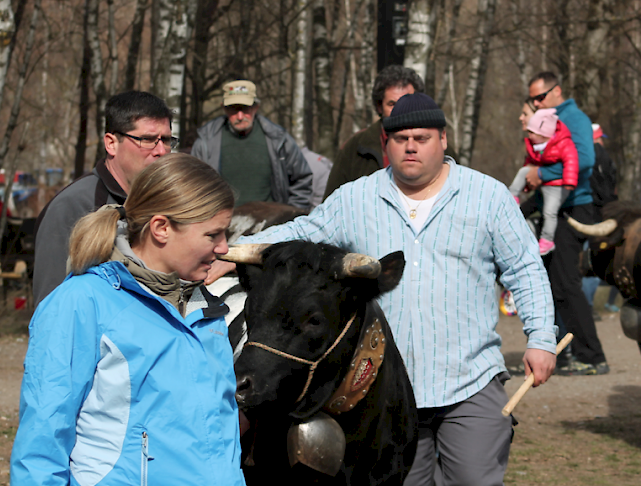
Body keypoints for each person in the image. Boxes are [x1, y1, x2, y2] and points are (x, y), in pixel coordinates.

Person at [213, 93, 557, 485]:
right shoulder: (355, 198)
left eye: (421, 137)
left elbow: (525, 269)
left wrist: (542, 338)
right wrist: (230, 253)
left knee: (474, 480)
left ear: (442, 140)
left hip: (469, 380)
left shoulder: (488, 197)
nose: (410, 146)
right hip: (382, 389)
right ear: (385, 143)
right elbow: (303, 232)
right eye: (400, 138)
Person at [11, 154, 245, 486]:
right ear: (161, 228)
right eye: (213, 235)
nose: (224, 248)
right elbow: (42, 442)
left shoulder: (206, 310)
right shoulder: (82, 302)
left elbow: (220, 442)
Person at [32, 91, 175, 306]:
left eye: (166, 140)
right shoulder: (73, 206)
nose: (161, 151)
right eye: (147, 140)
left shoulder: (169, 203)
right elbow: (51, 306)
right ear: (111, 144)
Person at [525, 71, 608, 375]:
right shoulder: (546, 119)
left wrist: (543, 176)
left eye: (540, 97)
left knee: (567, 285)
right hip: (555, 207)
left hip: (573, 208)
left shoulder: (574, 119)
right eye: (532, 98)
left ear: (557, 91)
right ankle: (567, 351)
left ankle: (592, 355)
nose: (536, 103)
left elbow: (584, 160)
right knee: (555, 285)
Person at [191, 79, 312, 209]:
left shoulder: (278, 139)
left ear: (256, 107)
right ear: (223, 108)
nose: (240, 116)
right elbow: (191, 185)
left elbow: (302, 180)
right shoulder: (206, 142)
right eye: (233, 109)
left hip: (271, 224)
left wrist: (290, 217)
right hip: (222, 224)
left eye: (245, 108)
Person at [323, 64, 426, 198]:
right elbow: (330, 207)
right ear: (379, 107)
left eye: (406, 102)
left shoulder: (438, 147)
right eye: (392, 104)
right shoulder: (355, 149)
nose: (400, 110)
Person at [509, 108, 578, 255]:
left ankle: (547, 240)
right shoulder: (535, 146)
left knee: (549, 212)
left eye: (532, 132)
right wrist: (526, 183)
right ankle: (513, 196)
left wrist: (570, 181)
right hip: (543, 182)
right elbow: (529, 162)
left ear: (544, 133)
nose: (529, 135)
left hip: (558, 186)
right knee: (523, 171)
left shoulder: (563, 144)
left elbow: (571, 161)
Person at [582, 123, 620, 316]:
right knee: (593, 263)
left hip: (585, 215)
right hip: (598, 217)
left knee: (585, 262)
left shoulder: (582, 155)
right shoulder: (599, 156)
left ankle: (585, 306)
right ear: (597, 138)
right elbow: (606, 191)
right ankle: (586, 307)